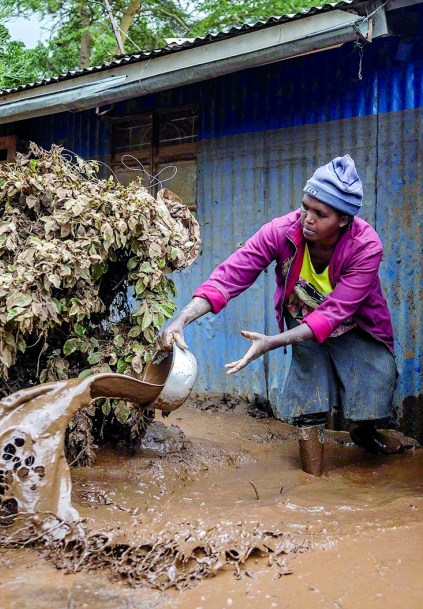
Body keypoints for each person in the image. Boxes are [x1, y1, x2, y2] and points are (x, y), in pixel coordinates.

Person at [159, 155, 404, 476]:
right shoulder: (282, 230)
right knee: (308, 394)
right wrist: (182, 318)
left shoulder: (365, 245)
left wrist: (272, 342)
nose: (308, 219)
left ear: (344, 220)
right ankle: (313, 479)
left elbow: (334, 313)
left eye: (321, 214)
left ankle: (365, 432)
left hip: (355, 325)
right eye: (305, 207)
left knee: (375, 384)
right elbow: (231, 274)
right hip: (300, 318)